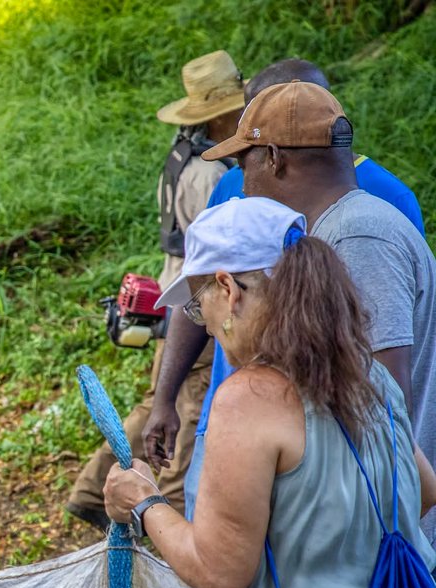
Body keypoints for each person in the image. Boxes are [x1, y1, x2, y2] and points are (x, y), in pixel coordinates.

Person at [104, 196, 436, 588]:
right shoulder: (371, 379)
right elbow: (424, 490)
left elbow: (220, 572)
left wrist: (147, 503)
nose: (202, 321)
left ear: (229, 289)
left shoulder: (249, 397)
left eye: (200, 302)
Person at [146, 77, 436, 542]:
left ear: (275, 159)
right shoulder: (331, 229)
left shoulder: (360, 237)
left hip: (377, 531)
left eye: (244, 163)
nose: (241, 184)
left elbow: (382, 405)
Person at [66, 50, 243, 530]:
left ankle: (91, 487)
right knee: (189, 405)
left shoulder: (181, 154)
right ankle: (174, 512)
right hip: (197, 299)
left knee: (155, 400)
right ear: (223, 112)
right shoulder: (212, 172)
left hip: (171, 290)